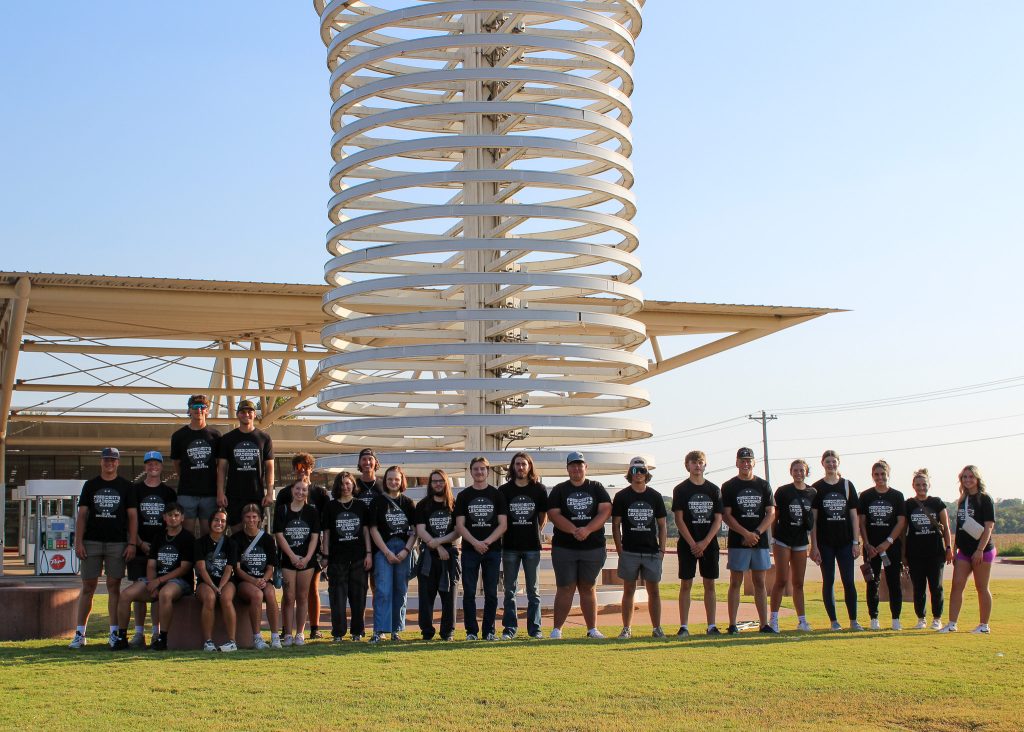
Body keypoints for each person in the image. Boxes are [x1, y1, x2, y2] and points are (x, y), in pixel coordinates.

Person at [70, 447, 138, 649]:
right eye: (106, 459)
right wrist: (78, 541)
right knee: (88, 587)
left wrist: (132, 543)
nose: (109, 463)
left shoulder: (127, 486)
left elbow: (132, 517)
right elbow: (82, 515)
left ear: (118, 463)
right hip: (92, 541)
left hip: (117, 543)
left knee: (113, 586)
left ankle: (113, 633)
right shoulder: (90, 485)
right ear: (101, 461)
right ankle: (80, 633)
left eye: (113, 460)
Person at [547, 452, 612, 640]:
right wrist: (575, 530)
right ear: (567, 468)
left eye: (580, 465)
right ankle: (557, 629)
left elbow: (606, 510)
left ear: (586, 467)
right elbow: (553, 514)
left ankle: (592, 629)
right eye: (573, 465)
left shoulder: (596, 487)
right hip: (564, 547)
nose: (576, 468)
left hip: (593, 547)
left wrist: (588, 530)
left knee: (588, 586)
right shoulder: (560, 489)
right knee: (565, 586)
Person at [113, 502, 194, 651]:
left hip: (178, 581)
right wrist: (152, 583)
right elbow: (151, 565)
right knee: (125, 595)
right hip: (156, 579)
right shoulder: (159, 537)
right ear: (164, 517)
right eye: (170, 515)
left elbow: (184, 569)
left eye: (176, 515)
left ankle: (162, 639)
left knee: (165, 593)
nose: (173, 518)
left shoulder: (187, 538)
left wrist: (159, 581)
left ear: (182, 517)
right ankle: (122, 638)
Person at [612, 457, 668, 639]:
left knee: (654, 591)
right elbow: (616, 524)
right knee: (629, 590)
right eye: (635, 471)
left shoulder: (655, 496)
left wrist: (662, 550)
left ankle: (657, 628)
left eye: (642, 471)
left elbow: (662, 525)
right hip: (630, 551)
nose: (639, 474)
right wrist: (620, 549)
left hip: (652, 551)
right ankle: (626, 628)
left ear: (647, 474)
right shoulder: (622, 496)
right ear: (630, 473)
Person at [275, 453, 330, 639]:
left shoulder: (320, 493)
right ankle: (286, 630)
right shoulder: (284, 494)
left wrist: (323, 553)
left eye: (306, 467)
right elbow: (279, 528)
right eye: (299, 467)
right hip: (289, 550)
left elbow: (324, 527)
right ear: (294, 469)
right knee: (288, 593)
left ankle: (313, 628)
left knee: (311, 589)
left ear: (311, 469)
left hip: (311, 549)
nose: (303, 471)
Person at [721, 447, 775, 634]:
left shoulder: (764, 485)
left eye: (748, 460)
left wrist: (756, 533)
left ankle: (764, 624)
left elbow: (771, 513)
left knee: (760, 582)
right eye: (742, 460)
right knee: (736, 582)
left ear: (754, 462)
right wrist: (745, 533)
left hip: (759, 541)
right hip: (738, 541)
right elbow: (726, 515)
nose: (745, 464)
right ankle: (732, 624)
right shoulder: (729, 486)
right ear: (737, 463)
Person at [454, 456, 508, 641]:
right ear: (471, 472)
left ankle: (489, 631)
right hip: (470, 550)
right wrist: (475, 543)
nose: (479, 472)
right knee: (469, 592)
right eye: (476, 469)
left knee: (491, 593)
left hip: (492, 551)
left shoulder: (497, 495)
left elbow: (502, 525)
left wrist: (486, 542)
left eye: (482, 469)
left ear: (487, 471)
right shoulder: (463, 496)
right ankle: (471, 631)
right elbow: (460, 525)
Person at [126, 450, 176, 648]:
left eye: (156, 463)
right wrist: (138, 543)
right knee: (139, 593)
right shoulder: (135, 491)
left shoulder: (169, 493)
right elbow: (130, 520)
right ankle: (139, 633)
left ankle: (156, 631)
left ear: (161, 467)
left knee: (157, 590)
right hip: (140, 547)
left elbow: (174, 522)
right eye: (149, 463)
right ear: (145, 466)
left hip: (163, 550)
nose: (153, 467)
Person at [671, 450, 723, 637]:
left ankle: (711, 625)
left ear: (705, 465)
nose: (697, 465)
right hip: (687, 544)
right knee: (686, 584)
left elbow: (718, 519)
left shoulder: (713, 489)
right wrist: (693, 543)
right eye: (693, 462)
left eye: (700, 462)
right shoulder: (681, 489)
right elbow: (678, 518)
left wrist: (705, 542)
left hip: (709, 543)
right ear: (687, 466)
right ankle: (684, 626)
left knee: (710, 584)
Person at [809, 449, 863, 631]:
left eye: (834, 462)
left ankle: (854, 620)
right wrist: (814, 546)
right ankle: (834, 621)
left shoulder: (847, 486)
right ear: (822, 464)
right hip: (825, 543)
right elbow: (814, 520)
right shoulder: (816, 488)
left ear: (838, 463)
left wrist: (856, 542)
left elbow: (854, 516)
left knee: (849, 581)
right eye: (828, 462)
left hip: (846, 542)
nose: (831, 465)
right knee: (829, 581)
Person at [940, 465, 996, 634]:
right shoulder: (962, 499)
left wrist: (980, 550)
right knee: (957, 585)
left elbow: (989, 527)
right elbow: (960, 527)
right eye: (964, 477)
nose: (967, 479)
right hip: (964, 550)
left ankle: (984, 626)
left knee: (981, 587)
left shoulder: (985, 499)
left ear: (977, 478)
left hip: (982, 551)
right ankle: (951, 624)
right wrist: (955, 548)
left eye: (971, 476)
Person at [498, 452, 548, 640]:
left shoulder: (539, 489)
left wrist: (534, 531)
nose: (520, 467)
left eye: (524, 464)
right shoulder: (504, 490)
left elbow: (543, 517)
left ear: (529, 467)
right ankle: (509, 628)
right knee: (509, 590)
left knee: (533, 591)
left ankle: (535, 629)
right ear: (513, 467)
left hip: (532, 547)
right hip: (510, 546)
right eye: (517, 464)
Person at [368, 465, 417, 642]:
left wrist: (406, 550)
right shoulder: (377, 502)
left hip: (403, 549)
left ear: (401, 480)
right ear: (385, 480)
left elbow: (414, 530)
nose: (393, 482)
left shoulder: (408, 503)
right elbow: (373, 530)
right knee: (383, 590)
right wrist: (386, 552)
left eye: (396, 479)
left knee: (400, 590)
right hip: (384, 549)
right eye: (390, 479)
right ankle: (380, 630)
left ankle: (396, 629)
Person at [322, 471, 372, 641]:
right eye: (342, 484)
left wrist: (368, 553)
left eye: (348, 483)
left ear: (353, 485)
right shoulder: (330, 506)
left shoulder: (361, 506)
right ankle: (338, 633)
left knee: (358, 596)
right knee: (338, 597)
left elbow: (366, 532)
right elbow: (327, 533)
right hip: (337, 558)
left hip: (358, 557)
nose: (345, 487)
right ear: (337, 486)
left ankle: (357, 632)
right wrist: (325, 555)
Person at [858, 459, 907, 630]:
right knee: (872, 582)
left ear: (888, 474)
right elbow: (861, 522)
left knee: (894, 582)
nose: (880, 477)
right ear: (872, 476)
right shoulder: (865, 496)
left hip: (891, 547)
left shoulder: (897, 496)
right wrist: (867, 544)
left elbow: (901, 522)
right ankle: (874, 618)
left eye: (883, 474)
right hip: (871, 549)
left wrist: (888, 542)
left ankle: (896, 619)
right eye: (876, 474)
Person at [769, 459, 816, 632]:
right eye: (795, 470)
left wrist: (814, 545)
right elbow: (776, 515)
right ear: (791, 472)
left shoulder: (812, 492)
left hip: (801, 541)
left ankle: (802, 620)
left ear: (806, 472)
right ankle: (774, 619)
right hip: (783, 540)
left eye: (801, 470)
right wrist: (773, 537)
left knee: (798, 582)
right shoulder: (783, 491)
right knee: (781, 580)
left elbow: (813, 519)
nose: (798, 473)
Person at [903, 468, 953, 630]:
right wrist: (903, 554)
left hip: (935, 552)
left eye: (924, 484)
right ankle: (921, 618)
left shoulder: (937, 502)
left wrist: (948, 547)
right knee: (919, 587)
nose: (921, 487)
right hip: (915, 552)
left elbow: (946, 527)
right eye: (918, 484)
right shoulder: (909, 504)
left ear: (929, 485)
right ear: (913, 485)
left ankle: (937, 618)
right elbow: (903, 531)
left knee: (936, 586)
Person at [274, 478, 321, 646]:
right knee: (288, 596)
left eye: (304, 490)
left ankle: (300, 633)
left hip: (307, 560)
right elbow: (279, 535)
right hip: (288, 560)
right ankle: (287, 633)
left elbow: (315, 537)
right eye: (297, 489)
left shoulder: (312, 511)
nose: (300, 492)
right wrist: (292, 557)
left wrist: (308, 557)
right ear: (292, 490)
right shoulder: (282, 510)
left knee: (302, 596)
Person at [415, 469, 460, 641]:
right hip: (428, 556)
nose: (438, 484)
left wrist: (440, 543)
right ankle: (427, 632)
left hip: (450, 555)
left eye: (441, 481)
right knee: (426, 597)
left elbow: (458, 531)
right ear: (430, 484)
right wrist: (436, 545)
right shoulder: (423, 505)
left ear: (446, 482)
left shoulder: (453, 504)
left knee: (449, 595)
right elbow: (420, 530)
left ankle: (447, 632)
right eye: (434, 481)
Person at [217, 399, 274, 532]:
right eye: (243, 412)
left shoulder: (264, 438)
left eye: (250, 411)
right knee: (236, 533)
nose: (246, 414)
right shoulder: (227, 439)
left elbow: (269, 467)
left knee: (254, 533)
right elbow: (222, 468)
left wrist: (269, 493)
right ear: (238, 414)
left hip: (256, 493)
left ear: (255, 415)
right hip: (234, 494)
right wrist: (220, 492)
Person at [233, 503, 282, 649]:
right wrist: (254, 581)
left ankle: (275, 636)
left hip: (263, 578)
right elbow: (237, 569)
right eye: (248, 517)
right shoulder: (236, 539)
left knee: (270, 593)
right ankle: (257, 638)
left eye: (254, 517)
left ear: (260, 519)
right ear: (243, 519)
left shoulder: (267, 539)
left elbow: (270, 567)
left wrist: (264, 580)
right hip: (244, 581)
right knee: (257, 595)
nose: (251, 520)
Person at [170, 394, 221, 537]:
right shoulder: (179, 436)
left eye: (202, 407)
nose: (199, 410)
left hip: (210, 493)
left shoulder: (215, 435)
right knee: (186, 535)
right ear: (189, 411)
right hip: (187, 492)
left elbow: (220, 465)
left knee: (208, 534)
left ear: (207, 410)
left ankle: (204, 560)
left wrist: (219, 489)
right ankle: (188, 560)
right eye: (195, 407)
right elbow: (176, 463)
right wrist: (187, 478)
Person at [195, 507, 239, 651]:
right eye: (216, 520)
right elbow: (201, 568)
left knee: (226, 598)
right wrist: (213, 587)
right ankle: (208, 641)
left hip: (226, 581)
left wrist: (220, 587)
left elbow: (229, 568)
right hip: (206, 581)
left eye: (223, 521)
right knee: (209, 598)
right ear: (210, 522)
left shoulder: (231, 543)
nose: (219, 523)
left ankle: (232, 642)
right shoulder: (200, 543)